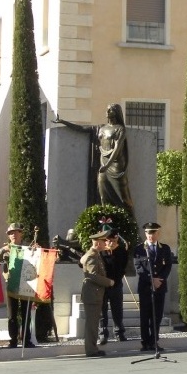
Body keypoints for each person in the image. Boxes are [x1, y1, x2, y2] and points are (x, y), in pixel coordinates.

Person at [55, 104, 137, 218]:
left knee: (124, 198)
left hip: (116, 167)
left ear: (117, 113)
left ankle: (129, 222)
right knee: (103, 195)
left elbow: (117, 149)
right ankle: (107, 221)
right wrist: (64, 122)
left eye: (111, 110)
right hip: (103, 166)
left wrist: (107, 165)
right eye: (107, 109)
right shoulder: (100, 128)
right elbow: (82, 129)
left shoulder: (120, 129)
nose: (107, 111)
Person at [0, 223, 36, 348]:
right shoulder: (6, 249)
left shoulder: (28, 248)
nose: (13, 235)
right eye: (10, 233)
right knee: (12, 315)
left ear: (21, 233)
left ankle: (26, 340)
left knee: (26, 313)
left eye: (16, 232)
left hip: (26, 283)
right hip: (11, 283)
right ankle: (13, 340)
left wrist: (36, 251)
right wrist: (1, 252)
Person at [132, 222, 173, 352]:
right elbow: (139, 268)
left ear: (158, 233)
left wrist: (159, 280)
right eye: (148, 233)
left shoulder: (164, 248)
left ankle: (154, 341)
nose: (151, 236)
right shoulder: (139, 249)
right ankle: (145, 342)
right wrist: (151, 280)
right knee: (145, 316)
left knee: (157, 316)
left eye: (153, 233)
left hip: (160, 286)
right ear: (145, 234)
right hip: (145, 287)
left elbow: (168, 266)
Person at [80, 229, 115, 357]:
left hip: (95, 294)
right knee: (92, 324)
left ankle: (93, 348)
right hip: (92, 294)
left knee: (94, 323)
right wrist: (109, 282)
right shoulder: (91, 256)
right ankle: (91, 350)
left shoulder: (95, 254)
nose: (106, 243)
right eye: (104, 241)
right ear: (97, 243)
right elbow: (93, 276)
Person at [98, 229, 128, 344]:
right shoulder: (100, 252)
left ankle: (119, 332)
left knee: (117, 310)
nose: (111, 243)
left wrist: (114, 252)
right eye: (109, 240)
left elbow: (123, 267)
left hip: (116, 284)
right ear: (105, 241)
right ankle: (103, 334)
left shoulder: (121, 251)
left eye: (114, 241)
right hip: (103, 285)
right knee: (102, 311)